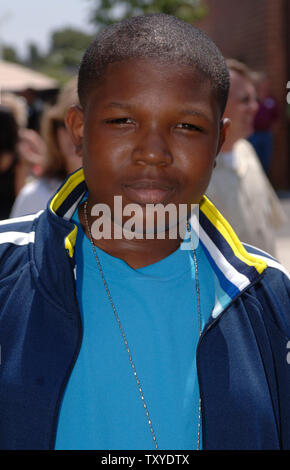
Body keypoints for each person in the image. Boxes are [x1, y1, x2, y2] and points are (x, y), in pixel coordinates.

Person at [0, 14, 289, 451]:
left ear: (218, 142)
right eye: (122, 121)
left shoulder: (268, 295)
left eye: (187, 126)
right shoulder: (8, 268)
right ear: (78, 130)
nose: (152, 152)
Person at [206, 59, 286, 257]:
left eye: (255, 99)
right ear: (217, 105)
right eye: (245, 100)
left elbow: (269, 223)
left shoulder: (246, 150)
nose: (255, 107)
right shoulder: (198, 170)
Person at [10, 78, 82, 217]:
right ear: (54, 131)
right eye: (66, 124)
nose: (76, 134)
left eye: (86, 124)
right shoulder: (34, 196)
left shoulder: (128, 198)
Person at [248, 74, 278, 175]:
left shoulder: (271, 100)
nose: (264, 86)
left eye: (266, 84)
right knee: (253, 161)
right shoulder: (253, 100)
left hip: (266, 135)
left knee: (265, 162)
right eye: (262, 84)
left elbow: (275, 117)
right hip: (253, 135)